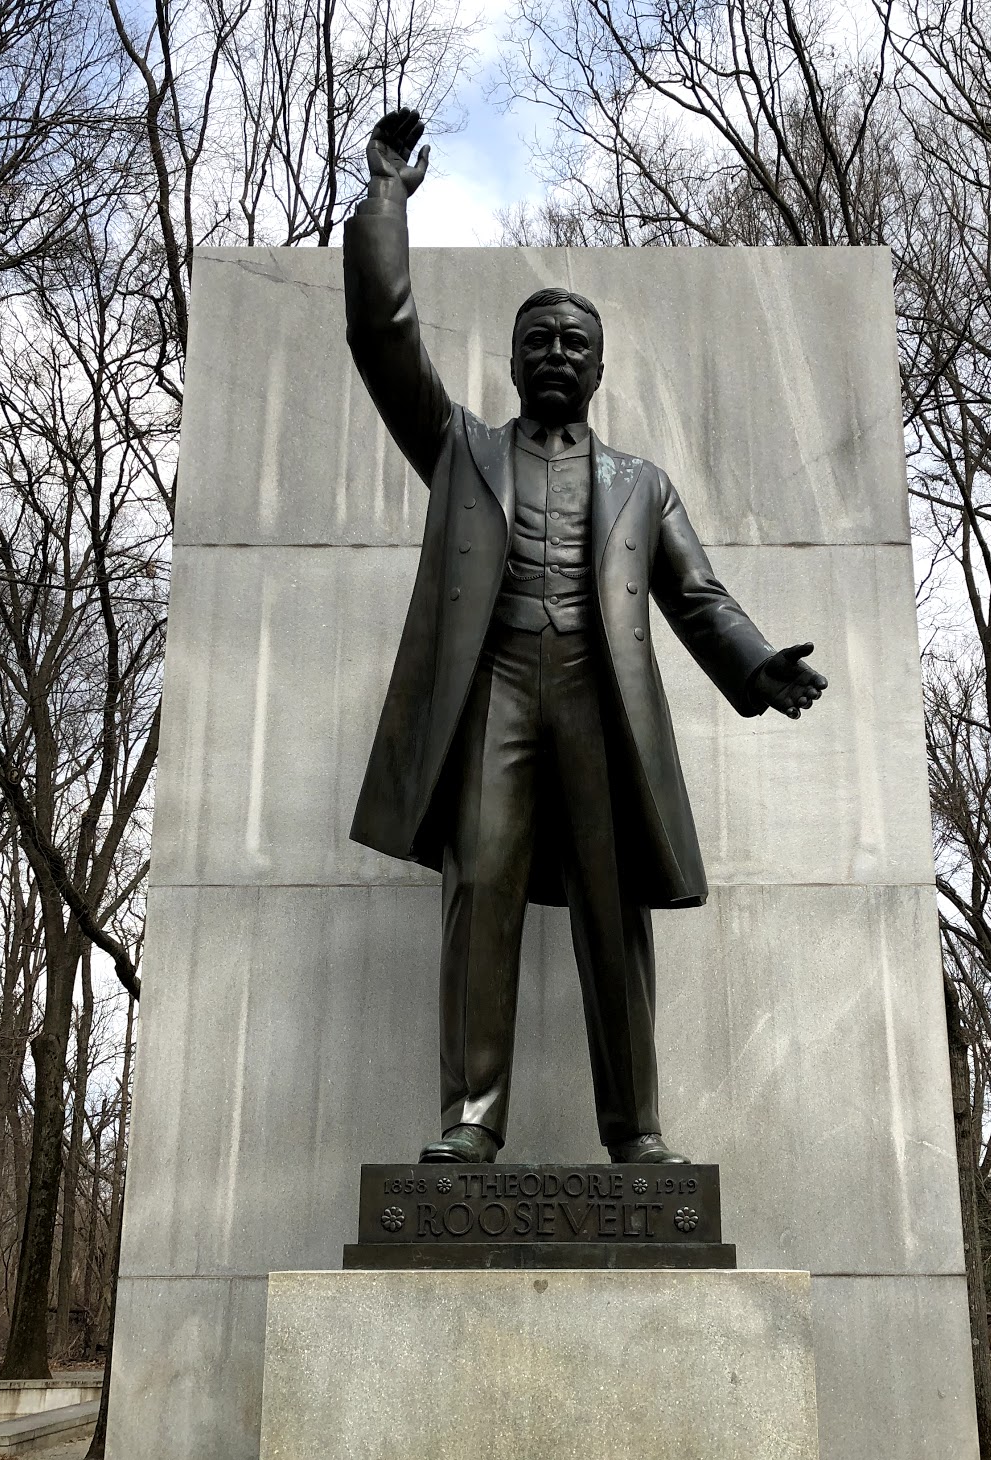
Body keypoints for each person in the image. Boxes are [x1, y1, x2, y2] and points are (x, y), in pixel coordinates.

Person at [344, 109, 827, 1166]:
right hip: (494, 691)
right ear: (515, 362)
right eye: (539, 341)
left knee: (614, 917)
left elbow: (694, 593)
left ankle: (635, 1131)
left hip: (603, 710)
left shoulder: (638, 485)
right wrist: (384, 199)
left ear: (597, 369)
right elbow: (384, 340)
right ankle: (470, 1119)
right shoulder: (461, 449)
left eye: (574, 342)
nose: (556, 353)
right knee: (480, 896)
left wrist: (754, 661)